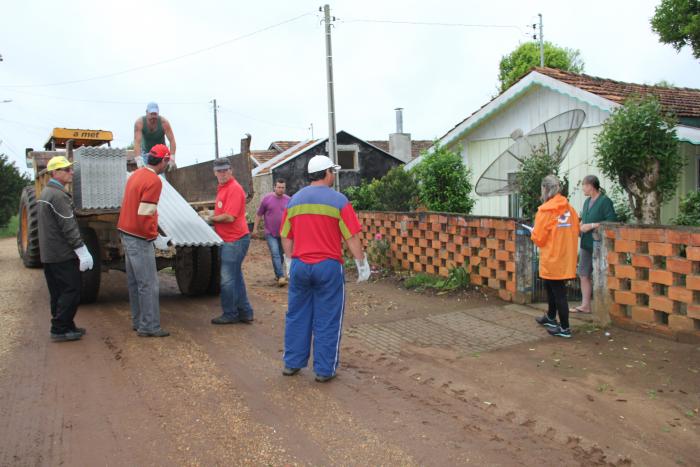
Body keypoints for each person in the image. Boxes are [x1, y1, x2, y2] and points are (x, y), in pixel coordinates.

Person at [280, 155, 371, 382]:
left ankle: (292, 363)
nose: (334, 175)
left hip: (301, 266)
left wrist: (290, 262)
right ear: (327, 173)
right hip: (328, 267)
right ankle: (324, 370)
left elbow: (285, 236)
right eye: (333, 171)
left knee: (297, 315)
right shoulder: (339, 201)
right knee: (328, 318)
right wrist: (361, 263)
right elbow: (351, 237)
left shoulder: (294, 201)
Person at [117, 144, 172, 337]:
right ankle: (149, 326)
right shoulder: (154, 181)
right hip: (139, 236)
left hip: (125, 232)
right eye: (168, 160)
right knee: (148, 283)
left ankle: (139, 320)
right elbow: (146, 214)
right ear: (164, 160)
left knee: (135, 282)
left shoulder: (136, 174)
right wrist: (154, 237)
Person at [37, 156, 94, 342]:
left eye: (70, 169)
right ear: (54, 173)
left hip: (49, 254)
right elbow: (68, 226)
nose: (71, 172)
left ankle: (66, 325)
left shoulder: (46, 193)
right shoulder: (58, 196)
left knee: (58, 292)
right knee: (71, 290)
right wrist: (81, 249)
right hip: (62, 254)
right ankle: (60, 329)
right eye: (66, 169)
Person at [530, 175, 580, 339]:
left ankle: (565, 328)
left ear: (545, 189)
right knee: (550, 287)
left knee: (558, 292)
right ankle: (551, 317)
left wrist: (532, 233)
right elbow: (575, 229)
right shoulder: (569, 209)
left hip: (552, 257)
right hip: (566, 256)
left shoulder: (545, 211)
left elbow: (539, 238)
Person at [208, 157, 255, 325]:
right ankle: (245, 311)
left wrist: (210, 219)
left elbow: (229, 217)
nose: (222, 173)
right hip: (230, 239)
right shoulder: (223, 188)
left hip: (235, 240)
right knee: (235, 277)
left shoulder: (234, 189)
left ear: (231, 170)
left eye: (225, 170)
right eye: (219, 170)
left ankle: (230, 313)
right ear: (214, 172)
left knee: (227, 279)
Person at [574, 175, 617, 313]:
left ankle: (602, 307)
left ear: (591, 186)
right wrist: (580, 226)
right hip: (586, 243)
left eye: (584, 186)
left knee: (600, 274)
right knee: (583, 273)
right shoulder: (587, 202)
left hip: (599, 244)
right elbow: (584, 218)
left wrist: (592, 225)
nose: (583, 189)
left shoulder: (605, 201)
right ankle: (585, 305)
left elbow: (611, 221)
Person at [253, 178, 291, 286]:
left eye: (283, 187)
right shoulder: (267, 199)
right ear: (274, 187)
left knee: (280, 254)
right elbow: (259, 214)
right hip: (270, 233)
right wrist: (255, 229)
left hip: (283, 233)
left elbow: (292, 216)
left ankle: (277, 275)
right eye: (279, 187)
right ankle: (281, 276)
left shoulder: (289, 200)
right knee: (275, 253)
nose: (281, 189)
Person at [133, 102, 177, 170]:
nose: (153, 117)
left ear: (158, 113)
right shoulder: (139, 123)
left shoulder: (164, 123)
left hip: (161, 155)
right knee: (148, 175)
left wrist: (172, 158)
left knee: (162, 178)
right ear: (147, 112)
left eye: (155, 114)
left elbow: (172, 140)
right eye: (151, 114)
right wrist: (138, 160)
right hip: (147, 154)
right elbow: (137, 142)